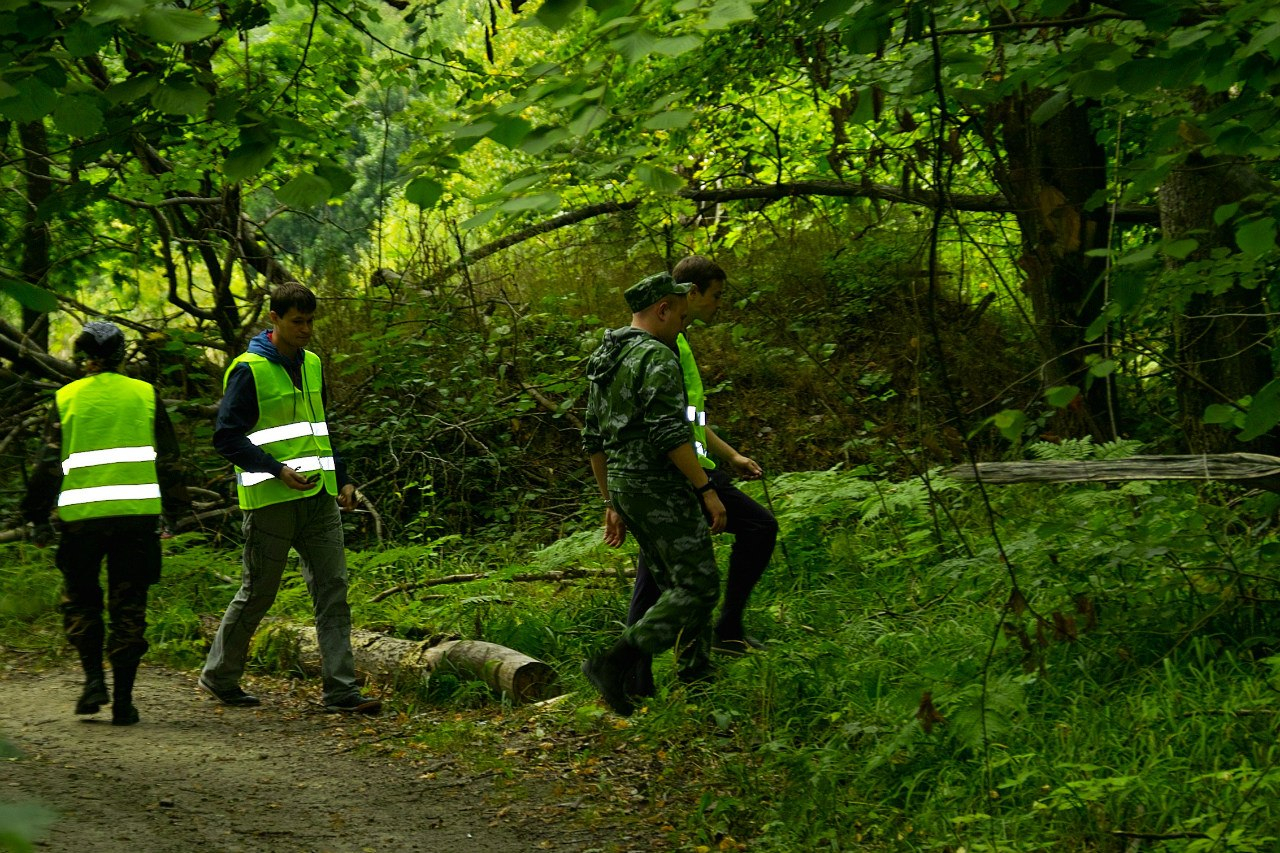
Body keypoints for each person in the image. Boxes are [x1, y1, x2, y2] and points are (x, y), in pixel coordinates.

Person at [200, 282, 380, 715]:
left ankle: (341, 691)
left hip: (319, 499)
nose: (307, 330)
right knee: (258, 592)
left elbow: (320, 426)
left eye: (311, 321)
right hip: (270, 502)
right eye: (298, 322)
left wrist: (345, 480)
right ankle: (220, 675)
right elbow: (225, 437)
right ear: (274, 319)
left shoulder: (313, 363)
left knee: (333, 590)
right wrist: (276, 469)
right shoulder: (248, 369)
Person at [623, 255, 779, 698]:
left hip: (684, 470)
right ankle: (697, 659)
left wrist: (730, 455)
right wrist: (703, 486)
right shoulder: (662, 342)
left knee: (653, 574)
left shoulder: (677, 340)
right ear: (690, 294)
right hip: (676, 475)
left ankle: (640, 677)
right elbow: (664, 424)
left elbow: (688, 415)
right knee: (754, 532)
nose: (719, 305)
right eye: (716, 296)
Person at [22, 321, 190, 726]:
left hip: (81, 521)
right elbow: (168, 460)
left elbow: (48, 464)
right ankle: (125, 702)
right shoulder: (145, 395)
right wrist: (177, 513)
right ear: (120, 356)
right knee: (129, 605)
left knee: (81, 601)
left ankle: (94, 681)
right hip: (136, 519)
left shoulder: (67, 398)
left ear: (85, 357)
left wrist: (34, 516)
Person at [580, 272, 728, 717]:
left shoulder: (606, 358)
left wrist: (611, 502)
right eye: (681, 317)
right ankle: (615, 662)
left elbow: (593, 438)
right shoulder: (656, 358)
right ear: (662, 310)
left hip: (625, 486)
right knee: (700, 585)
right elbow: (670, 433)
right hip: (659, 486)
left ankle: (696, 673)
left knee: (673, 583)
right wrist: (706, 489)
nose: (684, 327)